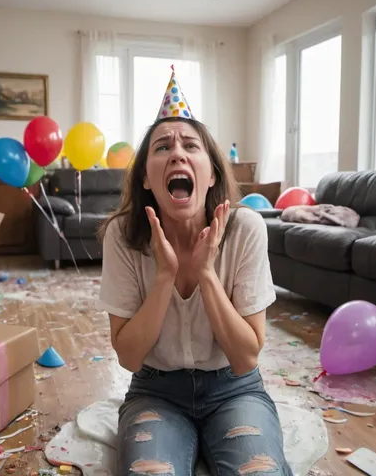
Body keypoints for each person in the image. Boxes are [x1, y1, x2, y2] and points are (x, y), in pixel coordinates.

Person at [97, 68, 292, 476]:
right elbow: (130, 357)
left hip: (234, 390)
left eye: (191, 145)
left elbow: (245, 357)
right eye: (162, 147)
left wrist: (206, 274)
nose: (177, 153)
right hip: (154, 391)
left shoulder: (246, 228)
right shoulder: (122, 235)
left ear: (213, 172)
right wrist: (165, 277)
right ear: (148, 178)